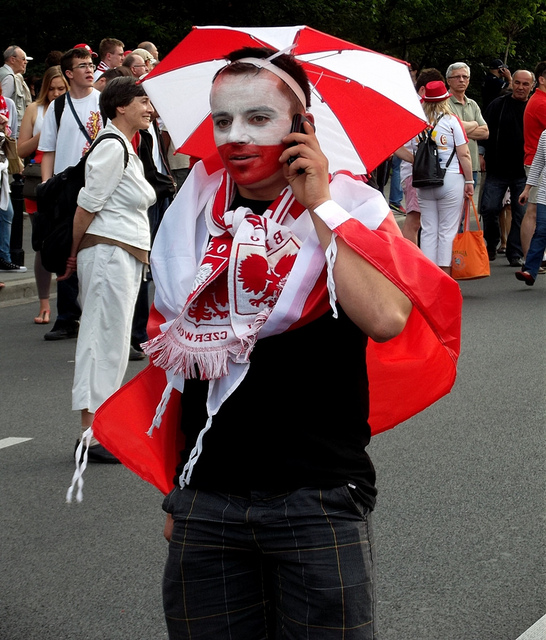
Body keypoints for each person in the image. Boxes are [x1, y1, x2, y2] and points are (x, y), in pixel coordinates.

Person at [83, 46, 462, 638]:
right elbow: (185, 375)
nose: (235, 136)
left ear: (301, 124)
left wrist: (320, 205)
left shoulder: (353, 207)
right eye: (222, 120)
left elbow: (386, 317)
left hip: (317, 498)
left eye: (258, 117)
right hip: (207, 502)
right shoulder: (193, 215)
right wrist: (181, 493)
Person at [59, 76, 156, 463]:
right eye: (142, 101)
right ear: (120, 106)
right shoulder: (112, 146)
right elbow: (87, 205)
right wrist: (72, 253)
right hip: (107, 253)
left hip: (121, 253)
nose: (149, 108)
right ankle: (90, 435)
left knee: (113, 342)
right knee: (101, 340)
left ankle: (99, 430)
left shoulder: (126, 146)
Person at [38, 46, 104, 341]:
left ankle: (96, 316)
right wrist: (46, 185)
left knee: (97, 248)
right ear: (68, 73)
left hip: (99, 184)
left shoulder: (103, 102)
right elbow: (48, 150)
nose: (89, 70)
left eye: (91, 65)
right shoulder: (58, 107)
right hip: (65, 189)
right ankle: (67, 318)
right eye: (82, 66)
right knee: (66, 249)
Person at [17, 65, 69, 323]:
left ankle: (70, 307)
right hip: (39, 182)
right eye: (52, 89)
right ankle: (44, 303)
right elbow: (20, 150)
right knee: (42, 244)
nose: (56, 94)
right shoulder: (34, 110)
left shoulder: (74, 108)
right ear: (44, 89)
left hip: (67, 179)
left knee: (69, 242)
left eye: (61, 89)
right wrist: (44, 133)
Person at [411, 81, 473, 274]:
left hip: (423, 180)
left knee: (428, 229)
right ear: (445, 99)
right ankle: (444, 276)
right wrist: (469, 181)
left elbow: (401, 150)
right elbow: (464, 154)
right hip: (451, 178)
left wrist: (418, 161)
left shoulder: (416, 122)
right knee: (447, 230)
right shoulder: (452, 121)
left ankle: (429, 276)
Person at [479, 70, 534, 264]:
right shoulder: (498, 105)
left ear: (532, 86)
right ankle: (492, 242)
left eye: (525, 84)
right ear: (512, 83)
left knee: (520, 214)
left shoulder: (533, 107)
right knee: (488, 208)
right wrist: (481, 153)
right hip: (497, 168)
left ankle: (514, 253)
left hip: (524, 171)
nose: (520, 87)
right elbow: (484, 130)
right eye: (517, 82)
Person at [396, 67, 445, 245]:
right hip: (415, 174)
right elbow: (396, 144)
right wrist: (418, 162)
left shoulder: (428, 109)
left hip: (426, 172)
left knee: (426, 221)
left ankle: (420, 257)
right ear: (423, 89)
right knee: (415, 219)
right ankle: (408, 257)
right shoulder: (412, 108)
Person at [446, 62, 489, 185]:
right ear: (448, 81)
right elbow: (448, 129)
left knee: (469, 198)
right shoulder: (443, 103)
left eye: (465, 77)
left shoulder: (472, 104)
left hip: (472, 165)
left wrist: (459, 129)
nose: (461, 80)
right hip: (452, 166)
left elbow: (485, 133)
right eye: (457, 77)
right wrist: (475, 124)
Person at [521, 61, 546, 260]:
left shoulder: (539, 100)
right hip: (537, 162)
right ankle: (531, 257)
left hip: (537, 160)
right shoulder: (541, 103)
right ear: (542, 79)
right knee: (534, 210)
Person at [0, 88, 26, 273]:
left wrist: (17, 162)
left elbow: (12, 137)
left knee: (7, 213)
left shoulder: (7, 105)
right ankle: (4, 258)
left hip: (2, 167)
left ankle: (4, 258)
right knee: (6, 212)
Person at [516, 128, 546, 285]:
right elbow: (537, 164)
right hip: (545, 193)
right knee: (541, 230)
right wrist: (527, 189)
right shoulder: (545, 135)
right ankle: (530, 270)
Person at [0, 45, 32, 136]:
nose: (26, 62)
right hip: (8, 130)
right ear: (12, 60)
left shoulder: (3, 72)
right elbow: (3, 105)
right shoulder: (9, 77)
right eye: (23, 59)